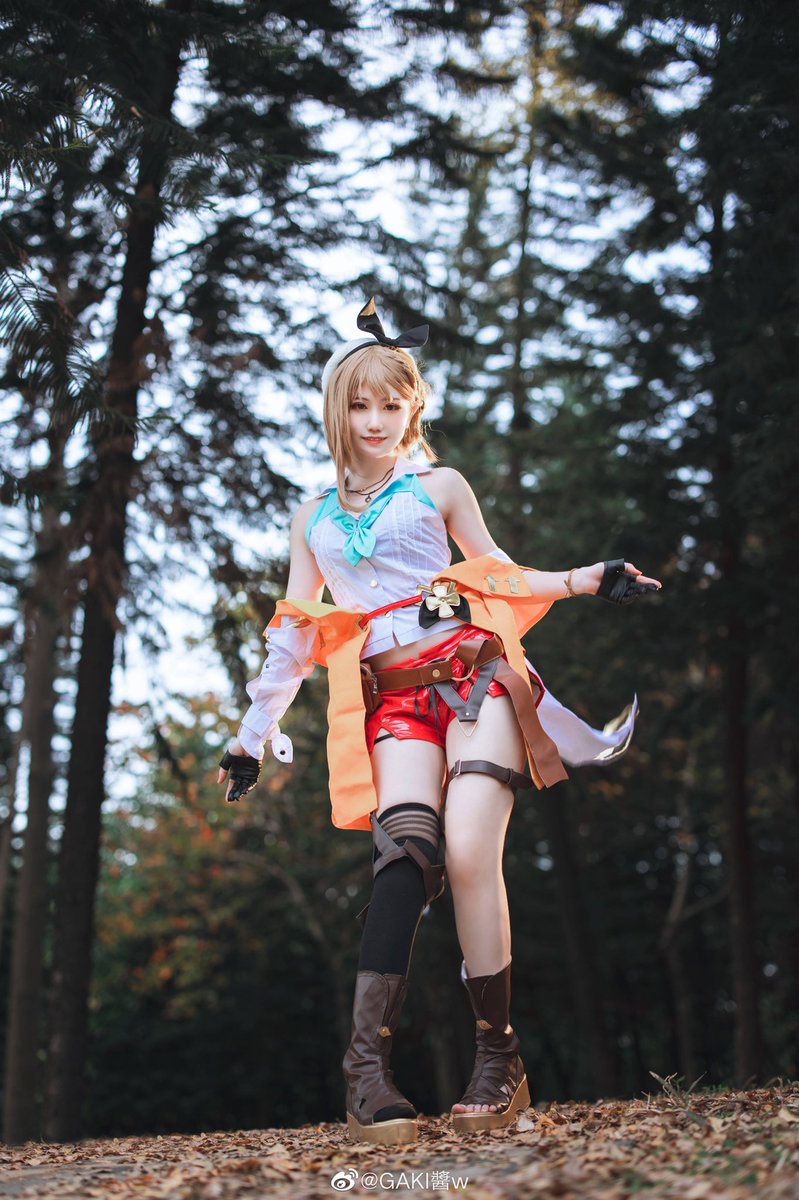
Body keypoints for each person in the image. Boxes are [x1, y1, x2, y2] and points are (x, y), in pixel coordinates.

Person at [218, 297, 662, 1145]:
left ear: (412, 407)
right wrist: (248, 736)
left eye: (392, 404)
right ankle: (365, 1074)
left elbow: (498, 576)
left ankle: (498, 1058)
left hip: (474, 680)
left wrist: (583, 578)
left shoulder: (439, 486)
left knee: (466, 851)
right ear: (336, 409)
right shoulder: (311, 518)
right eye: (360, 404)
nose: (376, 421)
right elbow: (295, 635)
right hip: (390, 702)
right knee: (404, 857)